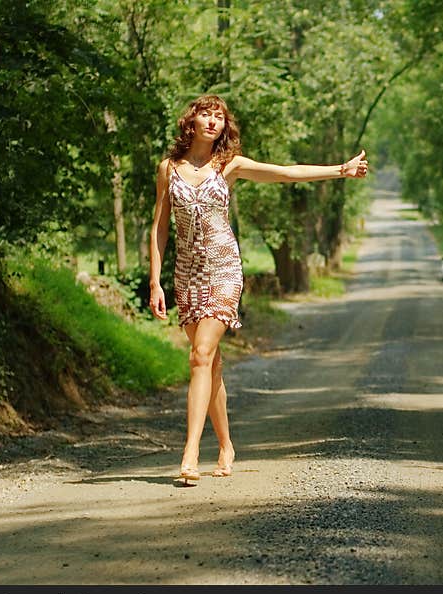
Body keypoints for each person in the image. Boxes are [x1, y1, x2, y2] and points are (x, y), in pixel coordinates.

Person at [148, 94, 368, 483]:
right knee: (209, 363)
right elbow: (160, 228)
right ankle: (227, 445)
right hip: (187, 274)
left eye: (219, 117)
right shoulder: (169, 169)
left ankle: (189, 453)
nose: (213, 122)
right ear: (191, 121)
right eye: (206, 115)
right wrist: (155, 280)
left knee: (200, 356)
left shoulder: (228, 165)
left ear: (224, 127)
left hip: (224, 270)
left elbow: (286, 172)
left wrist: (341, 169)